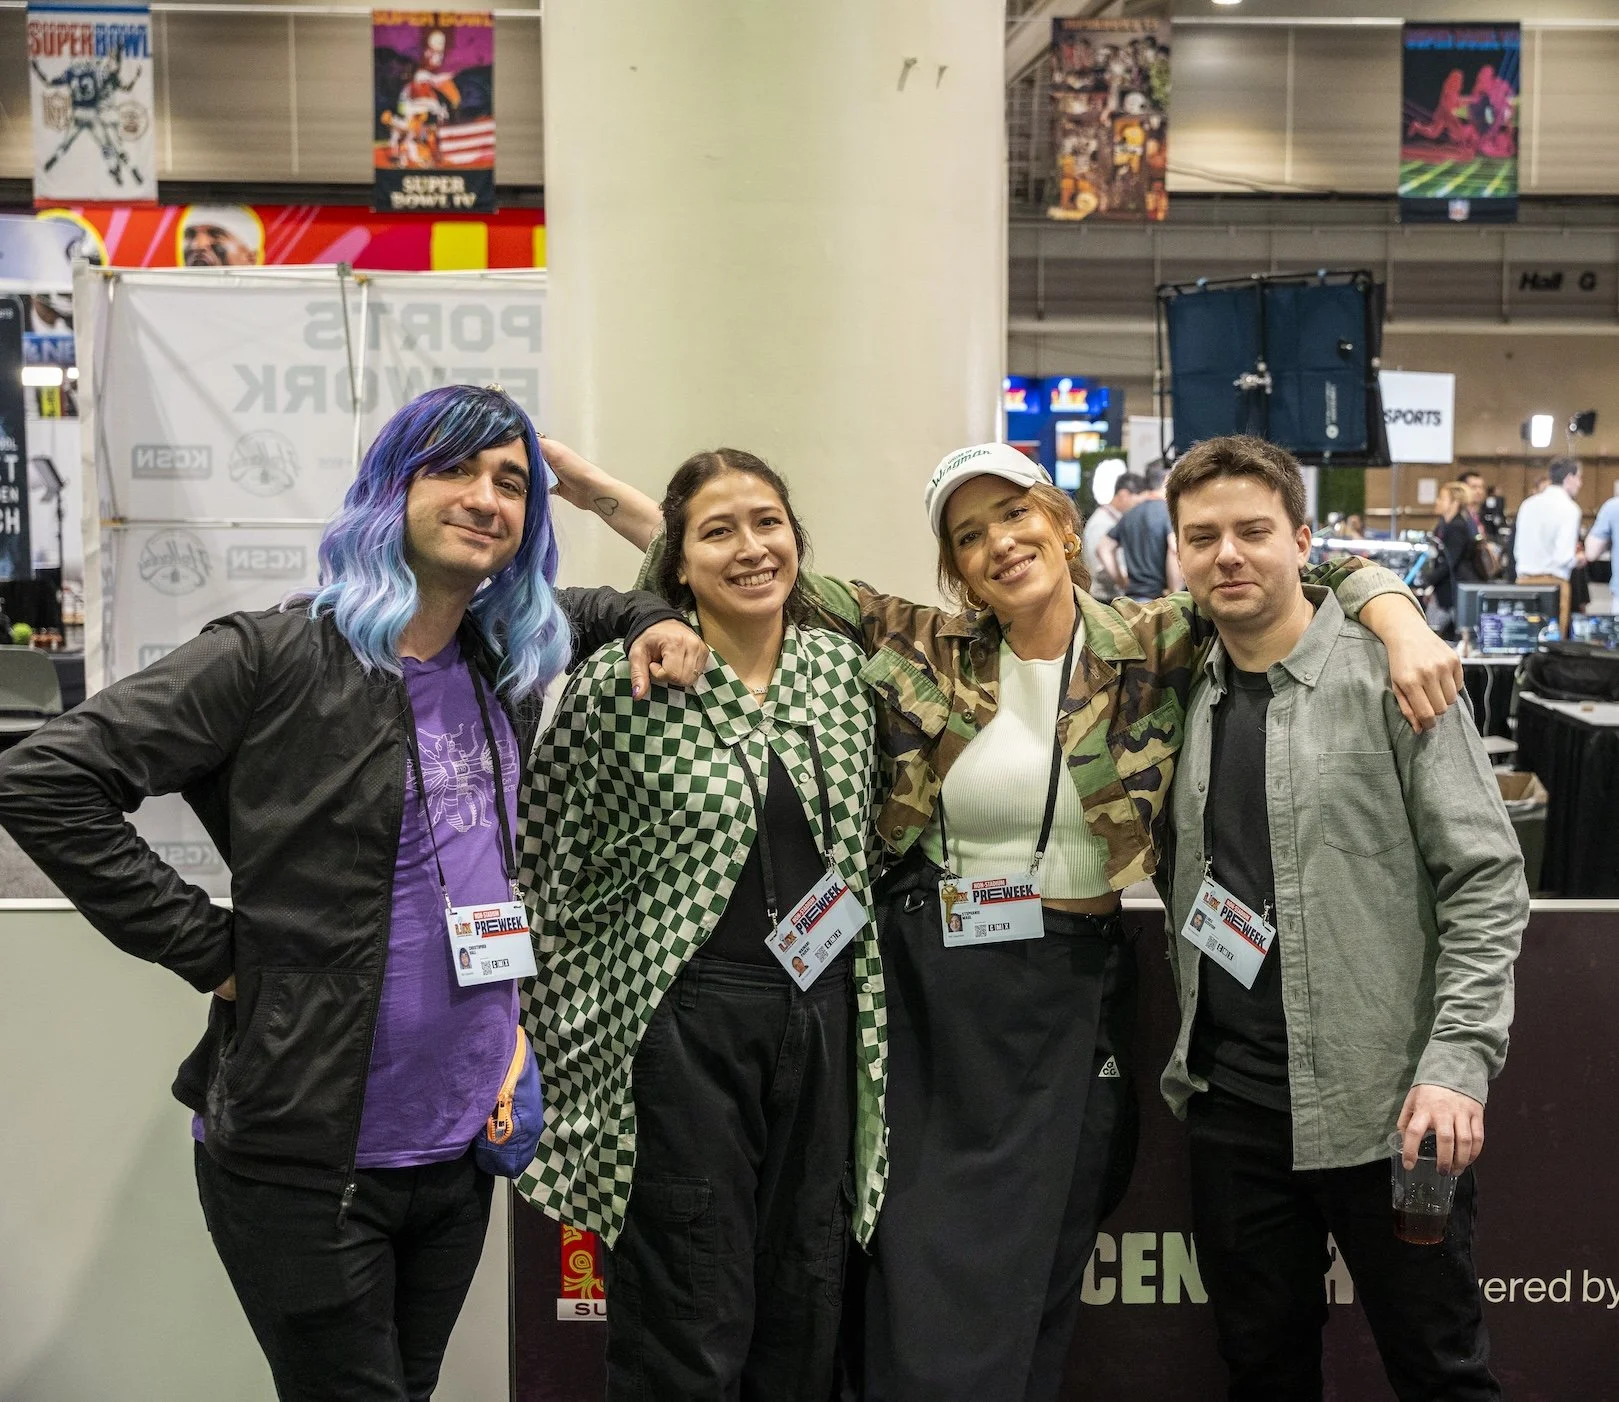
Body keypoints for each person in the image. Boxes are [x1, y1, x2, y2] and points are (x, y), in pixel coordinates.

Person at [539, 435, 1462, 1402]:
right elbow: (754, 573)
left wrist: (1397, 619)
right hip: (932, 994)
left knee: (1032, 1277)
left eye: (1015, 515)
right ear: (956, 568)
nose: (999, 544)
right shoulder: (921, 644)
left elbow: (1295, 567)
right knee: (915, 1278)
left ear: (1061, 525)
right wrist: (610, 502)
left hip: (1071, 991)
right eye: (969, 535)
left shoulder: (1155, 639)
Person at [0, 385, 706, 1402]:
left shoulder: (500, 654)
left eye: (510, 482)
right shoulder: (274, 655)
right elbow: (43, 779)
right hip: (311, 1151)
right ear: (390, 489)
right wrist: (210, 950)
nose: (485, 498)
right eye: (452, 470)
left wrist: (651, 615)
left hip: (460, 1142)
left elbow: (613, 605)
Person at [1160, 435, 1527, 1402]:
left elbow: (1485, 879)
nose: (1227, 555)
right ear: (1178, 554)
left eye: (1252, 531)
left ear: (1301, 542)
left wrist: (1455, 1065)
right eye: (1202, 537)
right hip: (1234, 1112)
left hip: (1391, 1111)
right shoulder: (1175, 683)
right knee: (1261, 1373)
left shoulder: (1394, 678)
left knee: (1441, 1371)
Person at [517, 449, 885, 1402]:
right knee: (687, 1310)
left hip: (825, 1014)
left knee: (805, 1296)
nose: (751, 548)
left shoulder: (842, 673)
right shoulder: (622, 683)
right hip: (681, 1027)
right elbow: (546, 868)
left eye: (768, 524)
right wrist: (545, 1025)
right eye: (717, 533)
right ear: (677, 563)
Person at [1513, 456, 1584, 634]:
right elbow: (1563, 557)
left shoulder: (1527, 504)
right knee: (1552, 641)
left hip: (1523, 582)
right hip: (1553, 584)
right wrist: (1579, 559)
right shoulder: (1570, 508)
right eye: (1579, 478)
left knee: (1523, 637)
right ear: (1569, 478)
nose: (1580, 484)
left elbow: (1517, 550)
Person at [1098, 461, 1181, 600]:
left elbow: (1103, 547)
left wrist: (1121, 581)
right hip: (1158, 600)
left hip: (1131, 600)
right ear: (1167, 480)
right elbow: (1174, 550)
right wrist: (1175, 592)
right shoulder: (1168, 513)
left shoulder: (1129, 514)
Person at [1425, 481, 1480, 638]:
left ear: (1454, 503)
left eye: (1442, 498)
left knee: (1435, 632)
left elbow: (1449, 562)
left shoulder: (1457, 526)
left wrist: (1426, 580)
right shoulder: (1445, 525)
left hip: (1454, 590)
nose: (1437, 501)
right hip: (1447, 590)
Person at [1080, 471, 1143, 600]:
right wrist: (1125, 582)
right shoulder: (1101, 523)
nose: (1138, 508)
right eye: (1137, 503)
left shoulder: (1115, 520)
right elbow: (1099, 569)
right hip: (1104, 599)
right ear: (1124, 495)